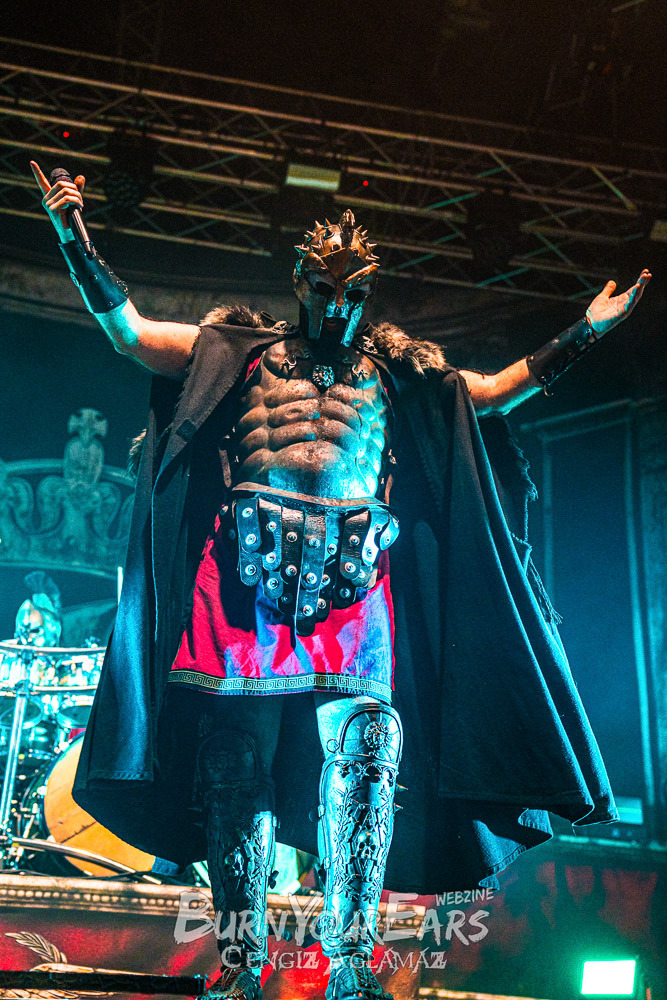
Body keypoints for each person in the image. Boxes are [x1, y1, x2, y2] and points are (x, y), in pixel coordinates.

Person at [30, 161, 650, 1000]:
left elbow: (494, 393)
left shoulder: (399, 378)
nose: (338, 305)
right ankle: (242, 961)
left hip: (353, 578)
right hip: (244, 576)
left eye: (353, 291)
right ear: (301, 281)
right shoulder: (236, 354)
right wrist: (75, 240)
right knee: (232, 761)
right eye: (324, 287)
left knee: (368, 749)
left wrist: (584, 331)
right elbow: (131, 334)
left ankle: (350, 963)